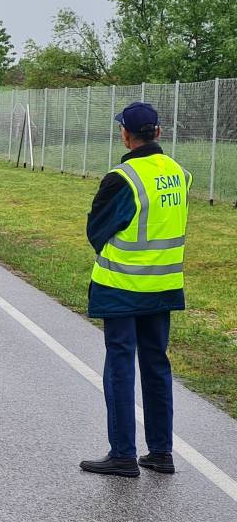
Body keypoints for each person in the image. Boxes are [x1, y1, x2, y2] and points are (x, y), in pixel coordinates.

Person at [80, 102, 191, 478]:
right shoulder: (179, 173)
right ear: (158, 133)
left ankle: (123, 454)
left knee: (120, 366)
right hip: (163, 285)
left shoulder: (122, 178)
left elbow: (97, 229)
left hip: (122, 287)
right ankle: (161, 452)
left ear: (126, 136)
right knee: (156, 365)